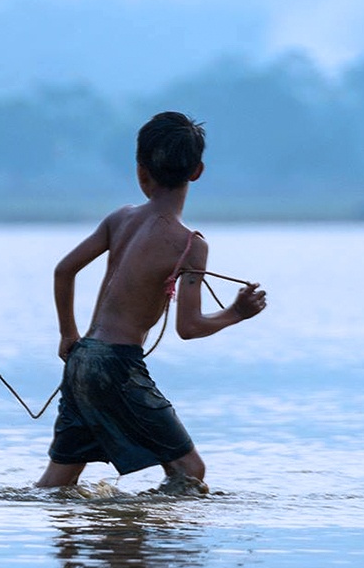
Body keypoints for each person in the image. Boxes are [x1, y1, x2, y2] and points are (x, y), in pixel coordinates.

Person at [36, 111, 268, 491]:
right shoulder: (189, 244)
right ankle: (144, 527)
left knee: (57, 483)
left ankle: (77, 541)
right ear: (197, 172)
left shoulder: (120, 219)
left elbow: (64, 270)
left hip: (83, 358)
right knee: (189, 471)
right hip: (117, 366)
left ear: (141, 171)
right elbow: (189, 328)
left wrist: (67, 335)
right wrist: (236, 313)